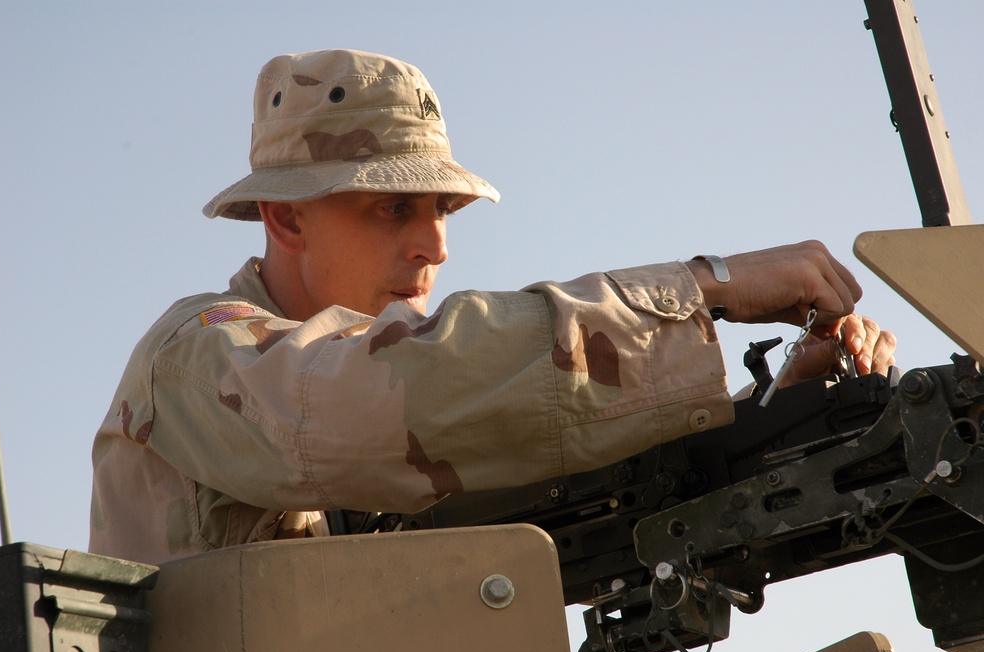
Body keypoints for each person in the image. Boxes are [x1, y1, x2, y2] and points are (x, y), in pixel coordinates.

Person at [88, 49, 896, 565]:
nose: (436, 247)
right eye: (392, 208)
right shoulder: (195, 354)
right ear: (286, 216)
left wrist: (770, 415)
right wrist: (702, 288)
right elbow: (385, 395)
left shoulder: (399, 418)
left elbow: (577, 492)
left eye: (444, 211)